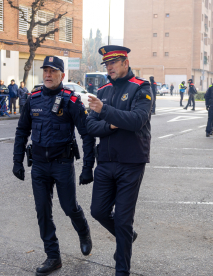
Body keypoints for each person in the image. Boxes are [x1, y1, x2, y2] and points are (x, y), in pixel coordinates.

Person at [13, 56, 95, 276]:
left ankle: (84, 231)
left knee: (69, 207)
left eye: (53, 71)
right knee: (43, 212)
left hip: (62, 163)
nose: (48, 75)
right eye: (45, 71)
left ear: (62, 75)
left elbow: (87, 134)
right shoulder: (34, 98)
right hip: (39, 165)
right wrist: (17, 161)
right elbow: (22, 131)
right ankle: (53, 257)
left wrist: (88, 167)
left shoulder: (71, 100)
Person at [87, 45, 153, 276]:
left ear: (125, 62)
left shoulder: (141, 87)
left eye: (113, 63)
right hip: (105, 162)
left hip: (131, 162)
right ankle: (128, 237)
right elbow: (90, 126)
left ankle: (121, 271)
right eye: (106, 64)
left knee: (123, 220)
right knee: (98, 211)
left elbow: (137, 120)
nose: (109, 67)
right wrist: (112, 123)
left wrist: (105, 112)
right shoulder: (103, 89)